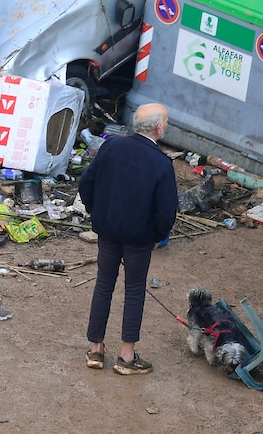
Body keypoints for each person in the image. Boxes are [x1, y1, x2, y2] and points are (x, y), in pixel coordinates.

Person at [79, 103, 178, 374]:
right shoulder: (161, 164)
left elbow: (86, 183)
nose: (166, 126)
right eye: (166, 122)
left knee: (104, 284)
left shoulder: (111, 148)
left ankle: (96, 349)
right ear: (158, 127)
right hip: (139, 238)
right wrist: (159, 235)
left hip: (107, 230)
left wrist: (95, 212)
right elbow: (166, 210)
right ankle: (126, 356)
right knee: (134, 291)